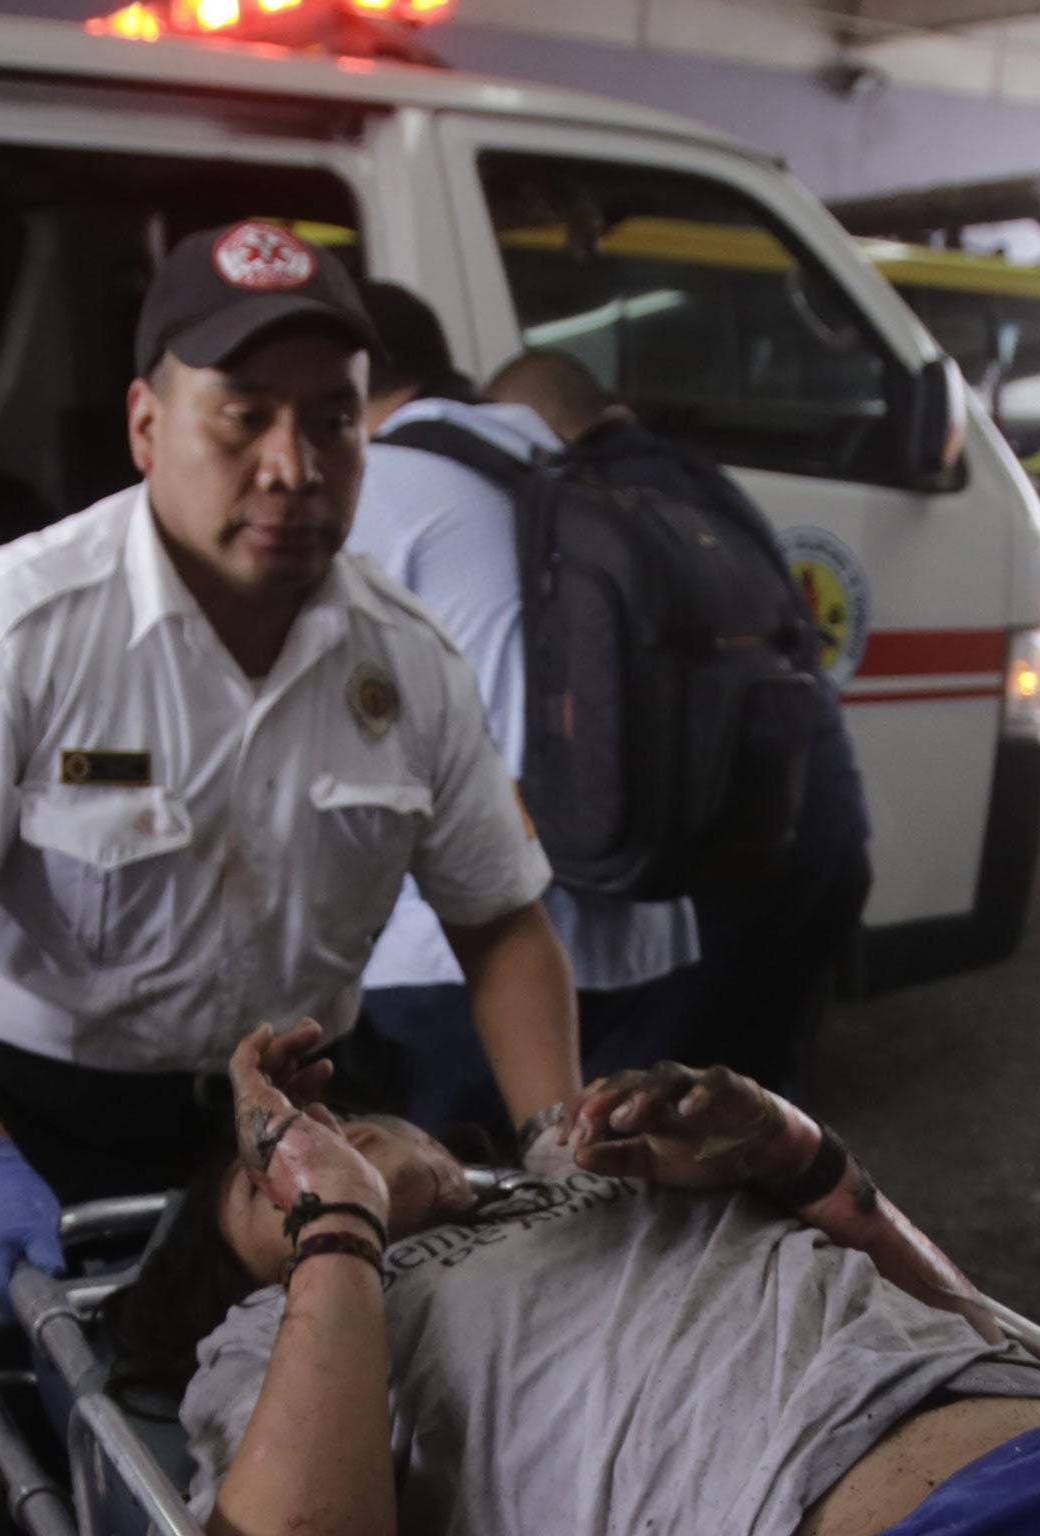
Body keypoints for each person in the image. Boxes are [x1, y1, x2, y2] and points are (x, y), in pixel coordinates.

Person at [0, 223, 580, 1311]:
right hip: (56, 1135)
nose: (293, 465)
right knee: (71, 1450)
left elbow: (502, 923)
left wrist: (560, 1151)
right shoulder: (3, 638)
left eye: (331, 420)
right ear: (144, 424)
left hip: (306, 1128)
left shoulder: (409, 660)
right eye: (242, 416)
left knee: (338, 1454)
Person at [102, 1023, 1040, 1536]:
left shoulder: (610, 1177)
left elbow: (968, 1326)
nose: (325, 1153)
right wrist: (336, 1231)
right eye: (262, 1182)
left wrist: (802, 1158)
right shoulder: (278, 1338)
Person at [343, 285, 700, 1143]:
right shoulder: (565, 463)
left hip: (452, 961)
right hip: (646, 937)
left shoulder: (377, 485)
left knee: (453, 1252)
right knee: (611, 1233)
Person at [485, 348, 873, 1095]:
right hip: (822, 834)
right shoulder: (695, 482)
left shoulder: (599, 504)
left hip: (729, 862)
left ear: (533, 423)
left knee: (668, 1128)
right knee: (761, 1103)